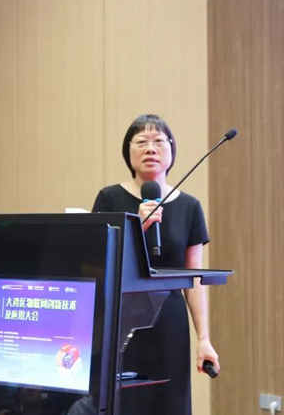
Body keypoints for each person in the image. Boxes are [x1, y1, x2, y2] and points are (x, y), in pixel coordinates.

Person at [92, 114, 220, 415]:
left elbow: (194, 279)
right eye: (141, 141)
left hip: (169, 321)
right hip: (122, 319)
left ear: (172, 150)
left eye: (159, 141)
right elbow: (98, 261)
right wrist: (138, 227)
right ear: (128, 152)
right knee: (124, 404)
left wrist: (204, 339)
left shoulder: (189, 206)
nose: (150, 148)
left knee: (169, 403)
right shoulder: (110, 198)